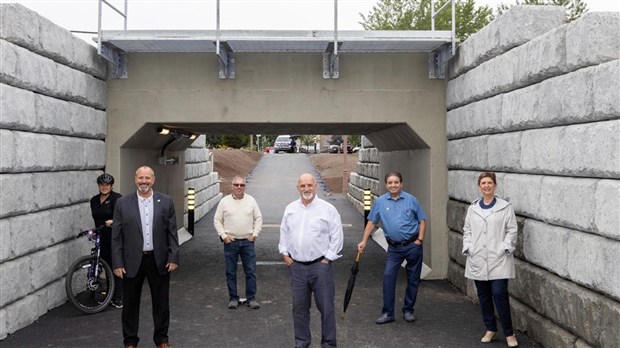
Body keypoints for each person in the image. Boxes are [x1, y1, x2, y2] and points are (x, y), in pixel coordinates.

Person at [111, 166, 179, 348]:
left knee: (161, 303)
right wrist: (117, 262)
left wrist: (173, 257)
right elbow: (116, 236)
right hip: (131, 261)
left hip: (159, 260)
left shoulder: (166, 202)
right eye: (141, 178)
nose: (144, 181)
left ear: (153, 180)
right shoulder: (123, 203)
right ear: (135, 179)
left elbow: (172, 232)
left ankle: (162, 340)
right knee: (130, 305)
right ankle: (130, 341)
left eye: (147, 178)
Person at [279, 173, 343, 348]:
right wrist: (284, 253)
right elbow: (284, 232)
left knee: (326, 308)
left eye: (309, 185)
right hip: (297, 267)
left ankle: (329, 344)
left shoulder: (327, 209)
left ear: (315, 186)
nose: (306, 189)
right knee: (299, 308)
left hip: (320, 267)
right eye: (302, 186)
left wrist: (327, 258)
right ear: (298, 187)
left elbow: (337, 236)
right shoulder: (290, 209)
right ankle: (302, 343)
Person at [357, 171, 426, 325]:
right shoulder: (380, 202)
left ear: (401, 184)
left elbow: (422, 220)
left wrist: (420, 240)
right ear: (386, 185)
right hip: (394, 249)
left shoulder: (411, 200)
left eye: (396, 182)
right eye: (390, 183)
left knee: (413, 279)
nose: (393, 185)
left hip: (413, 245)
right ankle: (388, 313)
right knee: (388, 277)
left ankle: (408, 310)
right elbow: (372, 222)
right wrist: (364, 240)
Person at [462, 172, 519, 347]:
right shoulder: (473, 208)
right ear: (479, 186)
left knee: (499, 293)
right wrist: (469, 246)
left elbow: (512, 229)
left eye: (489, 183)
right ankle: (490, 329)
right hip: (478, 257)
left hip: (498, 258)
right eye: (483, 183)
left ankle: (509, 333)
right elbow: (467, 229)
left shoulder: (505, 207)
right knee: (484, 296)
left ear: (495, 185)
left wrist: (505, 247)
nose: (486, 186)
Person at [213, 175, 263, 310]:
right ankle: (233, 298)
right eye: (236, 185)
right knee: (230, 272)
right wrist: (223, 236)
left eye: (242, 185)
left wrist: (255, 234)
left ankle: (251, 298)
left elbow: (258, 218)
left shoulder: (251, 201)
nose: (239, 187)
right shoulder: (224, 202)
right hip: (231, 242)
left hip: (248, 242)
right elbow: (217, 220)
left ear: (244, 186)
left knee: (251, 271)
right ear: (232, 186)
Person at [90, 173, 123, 308]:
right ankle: (109, 296)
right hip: (101, 236)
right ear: (99, 186)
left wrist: (113, 221)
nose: (104, 187)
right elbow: (96, 217)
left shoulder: (117, 198)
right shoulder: (94, 200)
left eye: (107, 185)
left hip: (114, 237)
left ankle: (118, 298)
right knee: (106, 266)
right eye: (102, 185)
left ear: (111, 186)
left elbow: (122, 217)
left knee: (116, 267)